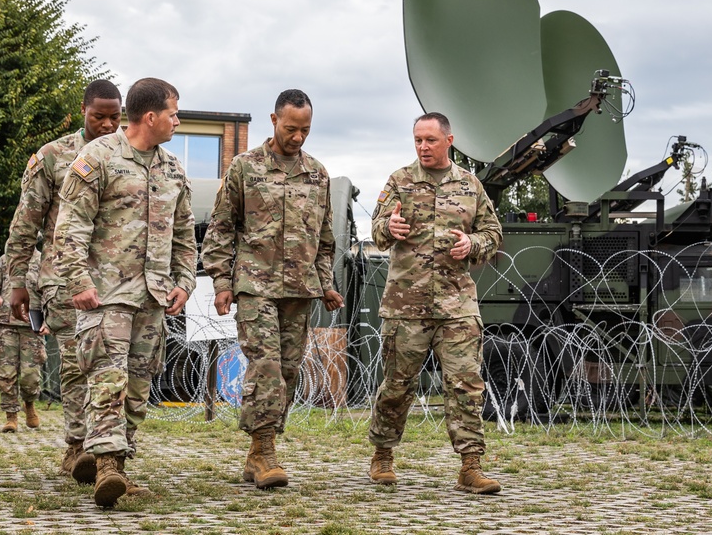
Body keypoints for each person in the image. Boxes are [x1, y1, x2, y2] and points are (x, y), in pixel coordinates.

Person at [53, 77, 196, 507]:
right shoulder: (96, 158)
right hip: (106, 294)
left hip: (152, 299)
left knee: (136, 387)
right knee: (107, 381)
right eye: (173, 112)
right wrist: (78, 282)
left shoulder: (172, 169)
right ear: (150, 116)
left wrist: (185, 283)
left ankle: (117, 460)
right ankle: (108, 466)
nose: (177, 120)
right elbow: (70, 228)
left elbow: (185, 236)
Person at [201, 89, 344, 490]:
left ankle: (256, 452)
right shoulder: (245, 168)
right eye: (291, 128)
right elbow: (221, 228)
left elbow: (325, 239)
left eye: (305, 130)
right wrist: (222, 283)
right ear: (273, 120)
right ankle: (265, 451)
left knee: (288, 372)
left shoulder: (318, 173)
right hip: (255, 285)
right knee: (265, 367)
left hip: (300, 291)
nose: (297, 137)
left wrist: (326, 286)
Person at [368, 112, 503, 494]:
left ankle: (470, 465)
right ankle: (382, 455)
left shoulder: (470, 185)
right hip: (405, 304)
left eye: (430, 140)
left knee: (465, 385)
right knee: (396, 385)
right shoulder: (400, 181)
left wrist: (472, 244)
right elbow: (376, 231)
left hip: (456, 304)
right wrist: (388, 229)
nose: (423, 147)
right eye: (417, 140)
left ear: (449, 140)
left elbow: (493, 232)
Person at [5, 79, 122, 483]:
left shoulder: (131, 155)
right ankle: (77, 447)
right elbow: (25, 224)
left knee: (110, 367)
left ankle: (105, 449)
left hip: (115, 281)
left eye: (114, 117)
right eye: (98, 116)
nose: (107, 124)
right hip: (63, 279)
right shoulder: (54, 156)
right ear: (84, 111)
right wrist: (17, 280)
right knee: (76, 363)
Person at [0, 250, 46, 433]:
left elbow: (49, 292)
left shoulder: (42, 260)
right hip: (5, 323)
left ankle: (29, 405)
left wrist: (49, 319)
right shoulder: (5, 259)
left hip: (32, 323)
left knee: (31, 374)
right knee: (6, 373)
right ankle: (11, 417)